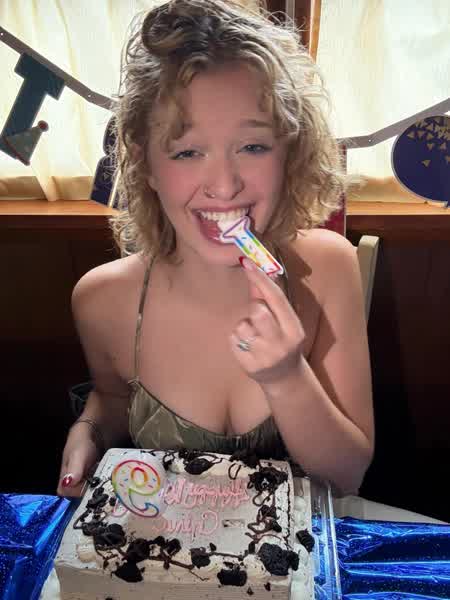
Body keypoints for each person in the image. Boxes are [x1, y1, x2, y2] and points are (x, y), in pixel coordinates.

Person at [57, 0, 374, 499]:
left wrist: (287, 377)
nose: (224, 186)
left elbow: (347, 477)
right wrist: (90, 431)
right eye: (187, 151)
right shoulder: (100, 299)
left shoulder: (328, 268)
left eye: (253, 147)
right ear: (145, 163)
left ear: (290, 149)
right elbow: (115, 398)